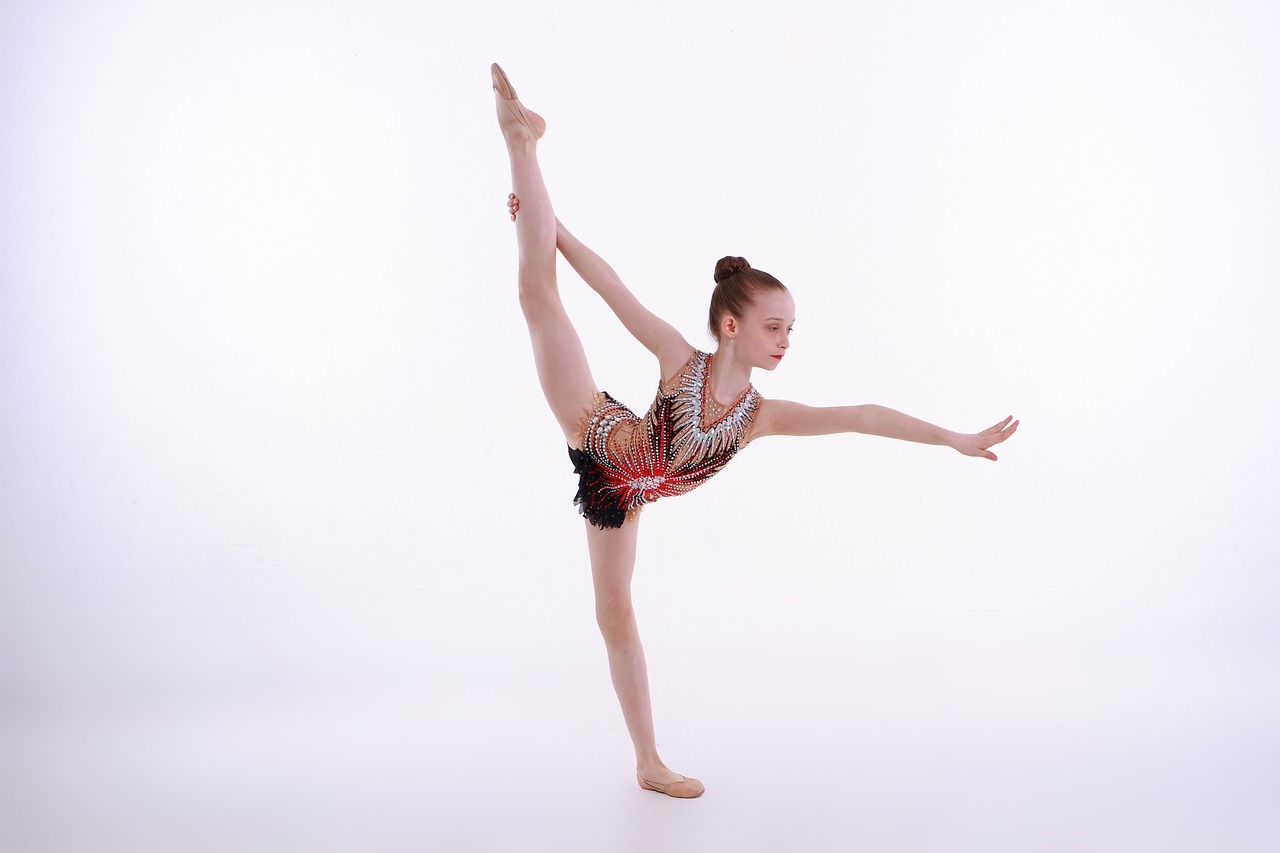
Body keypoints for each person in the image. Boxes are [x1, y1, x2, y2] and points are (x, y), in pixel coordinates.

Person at [491, 63, 1018, 799]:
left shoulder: (760, 418)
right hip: (597, 429)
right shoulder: (679, 359)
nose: (785, 340)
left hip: (624, 498)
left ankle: (647, 762)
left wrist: (952, 437)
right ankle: (521, 139)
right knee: (536, 291)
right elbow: (612, 287)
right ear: (732, 326)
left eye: (791, 329)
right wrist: (549, 227)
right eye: (775, 327)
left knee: (616, 614)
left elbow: (861, 416)